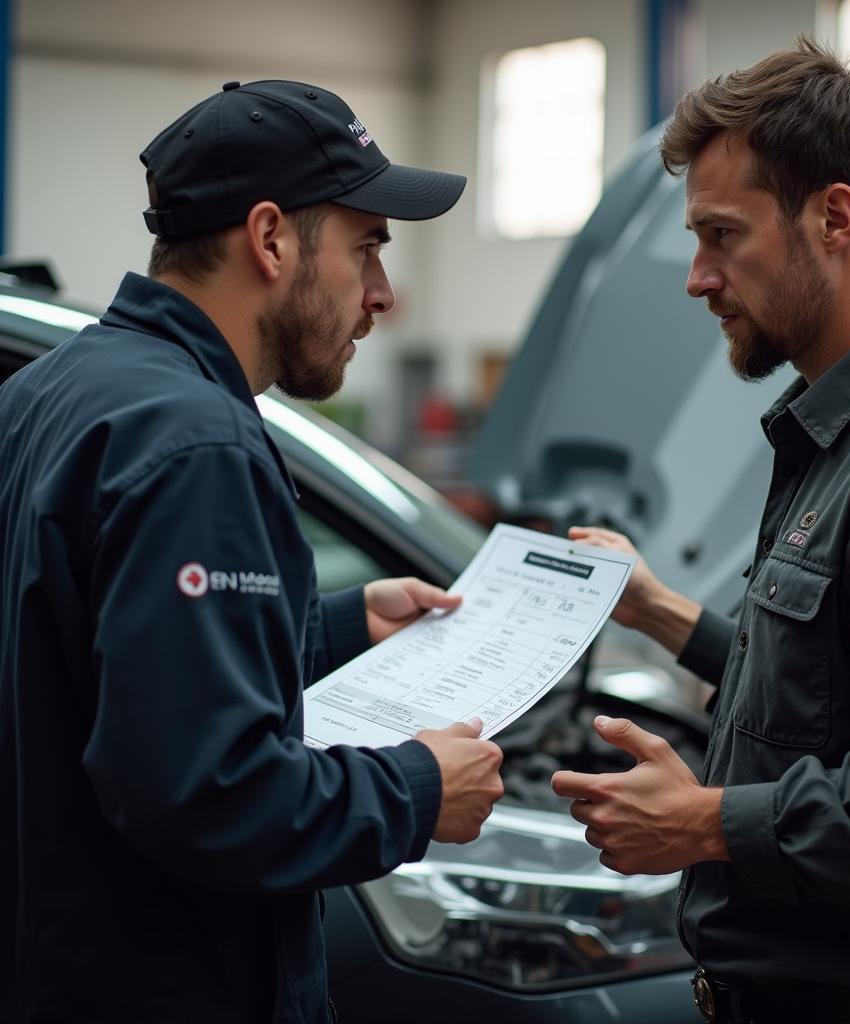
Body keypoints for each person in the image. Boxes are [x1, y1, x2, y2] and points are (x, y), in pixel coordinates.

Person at [0, 80, 504, 1023]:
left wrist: (342, 625)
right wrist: (416, 790)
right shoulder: (198, 445)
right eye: (367, 248)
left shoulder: (55, 389)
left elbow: (107, 661)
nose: (383, 295)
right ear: (270, 239)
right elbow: (207, 794)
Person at [552, 38, 850, 1024]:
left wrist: (705, 822)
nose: (697, 277)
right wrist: (662, 612)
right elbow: (827, 693)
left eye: (722, 235)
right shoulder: (841, 431)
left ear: (834, 217)